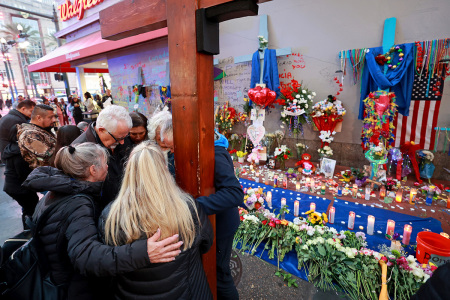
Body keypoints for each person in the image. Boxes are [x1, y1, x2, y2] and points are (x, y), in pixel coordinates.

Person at [22, 142, 183, 299]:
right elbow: (86, 256)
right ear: (93, 170)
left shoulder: (58, 190)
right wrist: (143, 252)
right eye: (105, 163)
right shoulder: (78, 204)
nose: (107, 167)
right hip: (72, 287)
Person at [148, 111, 244, 299]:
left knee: (221, 272)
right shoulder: (190, 149)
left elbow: (235, 194)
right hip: (204, 222)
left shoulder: (215, 153)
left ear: (183, 138)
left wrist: (190, 205)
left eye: (171, 147)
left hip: (222, 223)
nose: (172, 153)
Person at [100, 142, 213, 299]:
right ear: (165, 169)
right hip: (187, 292)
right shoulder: (188, 207)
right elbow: (206, 242)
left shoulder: (111, 215)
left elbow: (109, 259)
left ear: (129, 171)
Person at [72, 105, 133, 209]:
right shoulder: (80, 151)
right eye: (119, 138)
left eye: (125, 137)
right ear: (101, 130)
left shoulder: (119, 135)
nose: (123, 142)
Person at [17, 104, 57, 169]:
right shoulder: (29, 135)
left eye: (54, 117)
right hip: (46, 173)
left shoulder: (43, 129)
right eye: (50, 117)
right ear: (39, 118)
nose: (54, 120)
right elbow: (49, 157)